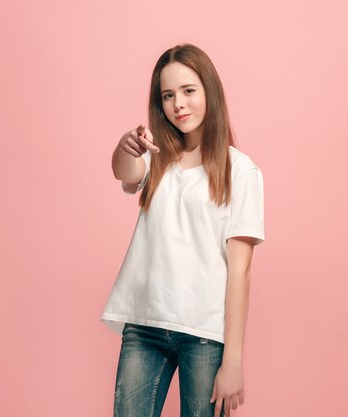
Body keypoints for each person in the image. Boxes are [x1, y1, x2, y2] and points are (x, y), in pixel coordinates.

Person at [100, 43, 265, 417]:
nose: (179, 104)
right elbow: (124, 172)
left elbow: (240, 270)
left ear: (210, 90)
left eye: (189, 91)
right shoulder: (157, 157)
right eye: (168, 95)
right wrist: (125, 146)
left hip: (205, 334)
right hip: (145, 326)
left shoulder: (241, 171)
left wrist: (233, 362)